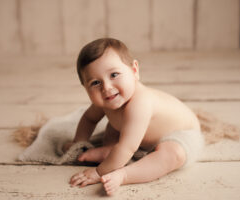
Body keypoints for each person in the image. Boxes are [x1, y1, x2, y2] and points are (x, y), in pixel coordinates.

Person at [63, 38, 204, 195]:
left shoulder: (140, 102)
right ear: (85, 88)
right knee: (114, 124)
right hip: (137, 137)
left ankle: (124, 174)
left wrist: (99, 172)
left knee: (172, 154)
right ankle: (110, 150)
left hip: (182, 134)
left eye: (114, 74)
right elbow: (89, 119)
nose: (107, 88)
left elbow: (127, 147)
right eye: (95, 83)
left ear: (134, 71)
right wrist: (78, 142)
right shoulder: (108, 100)